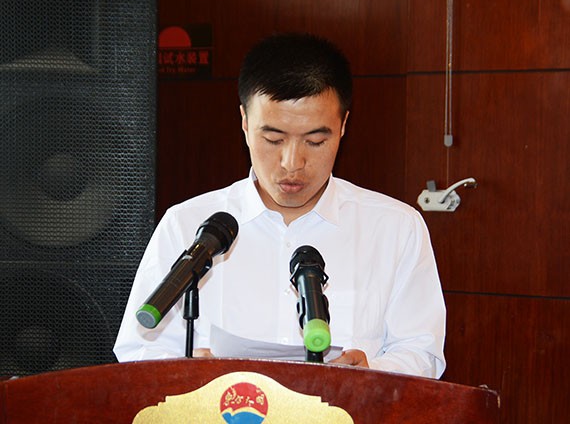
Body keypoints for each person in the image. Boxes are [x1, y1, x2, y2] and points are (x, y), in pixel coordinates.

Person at [114, 32, 446, 378]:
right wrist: (188, 374)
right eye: (273, 139)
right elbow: (138, 349)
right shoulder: (186, 224)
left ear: (343, 125)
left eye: (315, 141)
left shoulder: (395, 228)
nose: (292, 163)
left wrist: (370, 373)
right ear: (244, 122)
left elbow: (422, 353)